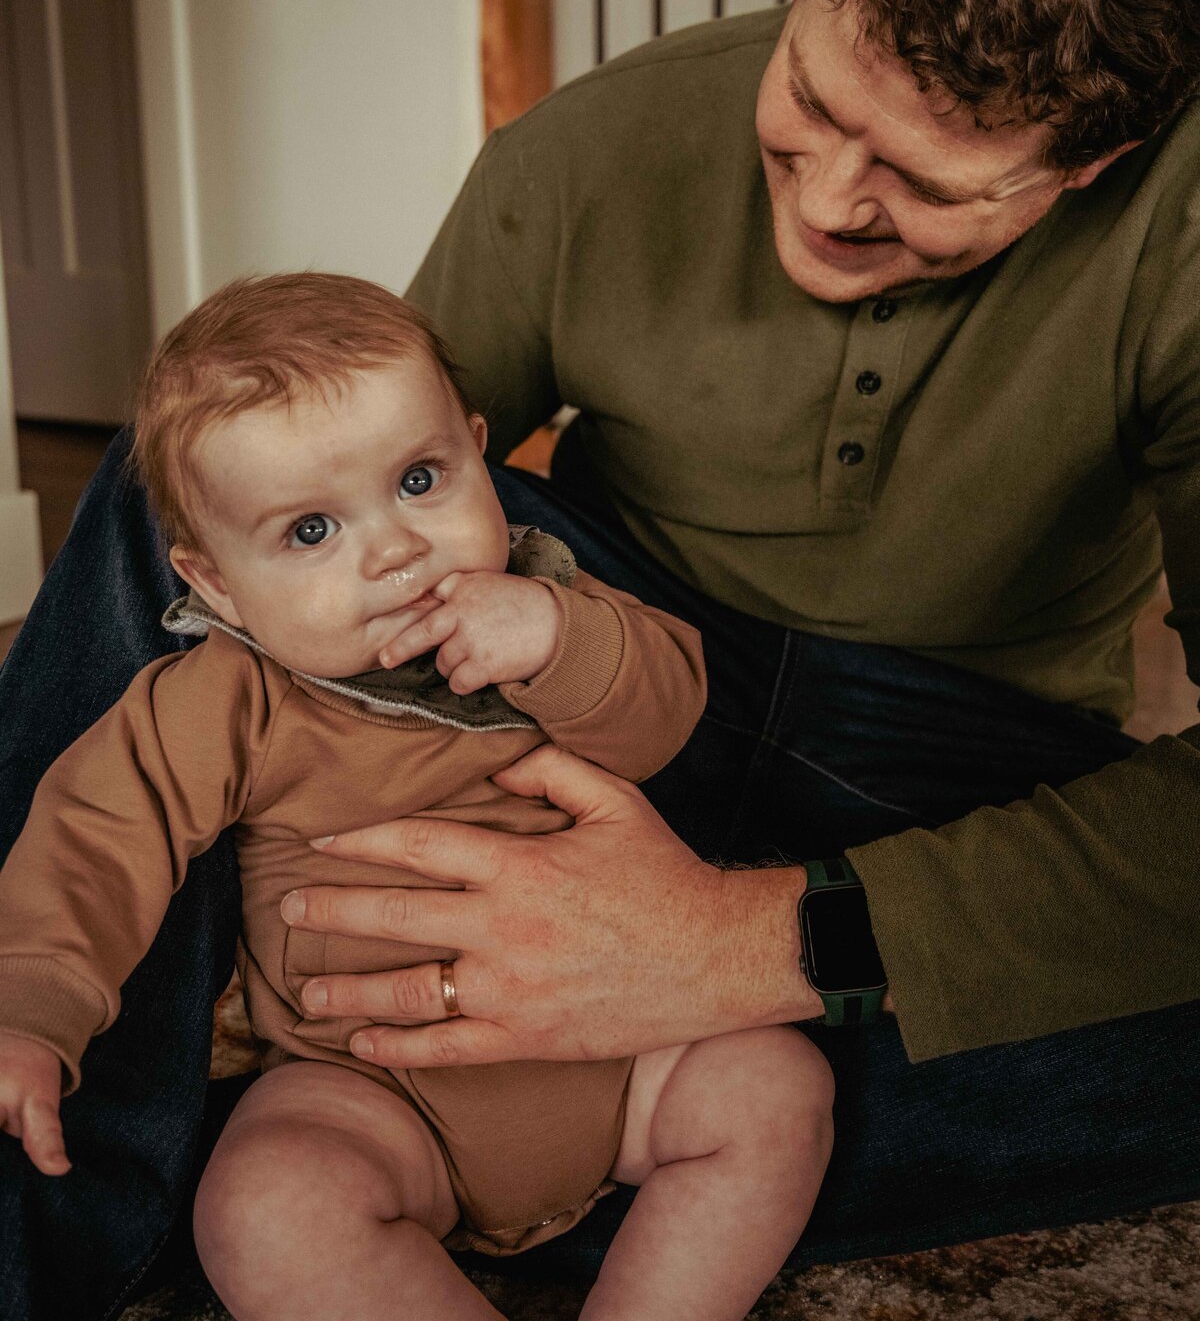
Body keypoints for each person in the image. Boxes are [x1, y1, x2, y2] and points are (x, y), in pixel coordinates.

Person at [0, 0, 1198, 1320]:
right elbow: (361, 475)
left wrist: (752, 944)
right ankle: (62, 1155)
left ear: (1089, 165)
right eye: (807, 100)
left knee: (985, 1020)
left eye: (922, 182)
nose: (830, 202)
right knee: (204, 483)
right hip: (596, 664)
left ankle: (483, 1127)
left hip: (942, 762)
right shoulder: (581, 153)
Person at [0, 271, 834, 1321]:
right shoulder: (231, 697)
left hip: (623, 1058)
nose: (394, 552)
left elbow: (668, 712)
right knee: (266, 1204)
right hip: (373, 1091)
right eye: (312, 532)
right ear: (211, 583)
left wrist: (556, 640)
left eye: (419, 481)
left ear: (480, 451)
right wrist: (30, 1009)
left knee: (775, 1086)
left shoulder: (551, 605)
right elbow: (94, 837)